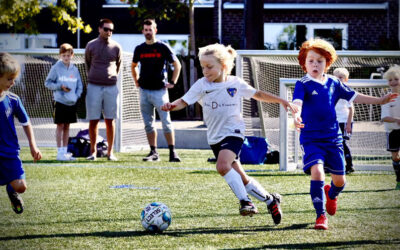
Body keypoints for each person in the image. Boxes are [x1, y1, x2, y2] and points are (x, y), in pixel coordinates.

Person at [161, 43, 298, 224]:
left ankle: (246, 202)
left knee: (222, 166)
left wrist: (281, 100)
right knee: (241, 177)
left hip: (234, 132)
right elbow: (184, 101)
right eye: (203, 67)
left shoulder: (235, 83)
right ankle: (271, 200)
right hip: (215, 138)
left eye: (209, 67)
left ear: (223, 66)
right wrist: (172, 105)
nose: (205, 71)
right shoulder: (201, 85)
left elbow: (258, 94)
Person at [292, 38, 398, 230]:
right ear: (304, 64)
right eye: (311, 61)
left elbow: (355, 96)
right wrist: (296, 116)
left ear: (327, 63)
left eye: (320, 61)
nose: (315, 64)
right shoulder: (303, 84)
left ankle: (331, 195)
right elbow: (297, 103)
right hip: (311, 138)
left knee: (340, 181)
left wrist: (380, 101)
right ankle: (320, 216)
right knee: (317, 171)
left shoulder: (334, 82)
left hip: (333, 139)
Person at [131, 19, 182, 162]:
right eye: (145, 30)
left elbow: (177, 65)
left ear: (155, 30)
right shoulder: (139, 48)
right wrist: (136, 80)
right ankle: (153, 152)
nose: (148, 32)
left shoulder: (163, 47)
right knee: (148, 123)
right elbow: (133, 65)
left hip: (160, 91)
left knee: (166, 122)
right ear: (142, 31)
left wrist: (172, 82)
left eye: (150, 29)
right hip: (144, 91)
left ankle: (172, 152)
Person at [0, 52, 42, 214]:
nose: (13, 82)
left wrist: (33, 146)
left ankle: (12, 192)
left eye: (14, 78)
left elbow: (26, 123)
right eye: (9, 79)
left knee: (21, 186)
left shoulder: (13, 100)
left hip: (10, 152)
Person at [85, 18, 122, 161]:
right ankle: (92, 152)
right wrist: (95, 77)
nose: (109, 32)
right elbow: (87, 64)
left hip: (111, 88)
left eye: (111, 30)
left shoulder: (116, 47)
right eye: (106, 29)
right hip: (93, 86)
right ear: (99, 29)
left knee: (109, 120)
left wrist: (110, 78)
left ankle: (110, 152)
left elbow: (118, 66)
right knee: (93, 120)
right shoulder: (91, 45)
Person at [45, 43, 83, 161]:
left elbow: (80, 86)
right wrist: (60, 86)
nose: (66, 57)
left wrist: (76, 96)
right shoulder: (56, 68)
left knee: (67, 126)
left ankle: (65, 152)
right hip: (60, 101)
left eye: (68, 55)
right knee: (60, 126)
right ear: (60, 56)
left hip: (71, 102)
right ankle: (59, 152)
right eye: (64, 55)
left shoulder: (75, 69)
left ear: (72, 55)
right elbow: (48, 83)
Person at [381, 66, 400, 190]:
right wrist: (396, 120)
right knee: (395, 157)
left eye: (396, 79)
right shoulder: (387, 98)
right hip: (392, 132)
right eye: (390, 80)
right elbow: (384, 117)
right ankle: (398, 180)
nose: (393, 82)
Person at [333, 68, 355, 174]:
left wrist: (349, 124)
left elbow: (351, 109)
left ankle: (349, 165)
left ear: (346, 79)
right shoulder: (331, 91)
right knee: (333, 143)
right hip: (333, 122)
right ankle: (333, 166)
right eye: (336, 77)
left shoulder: (346, 91)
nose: (338, 79)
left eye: (340, 77)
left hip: (344, 121)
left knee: (342, 143)